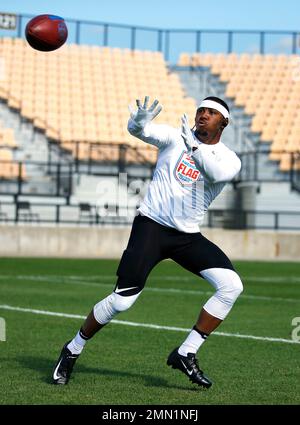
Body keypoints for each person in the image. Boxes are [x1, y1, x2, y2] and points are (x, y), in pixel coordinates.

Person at [52, 95, 243, 389]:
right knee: (122, 301)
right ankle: (72, 348)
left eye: (211, 112)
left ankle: (186, 352)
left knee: (231, 286)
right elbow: (142, 132)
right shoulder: (176, 136)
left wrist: (194, 148)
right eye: (201, 110)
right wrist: (137, 123)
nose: (203, 114)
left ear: (224, 122)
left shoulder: (229, 158)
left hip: (187, 235)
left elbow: (215, 172)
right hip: (152, 226)